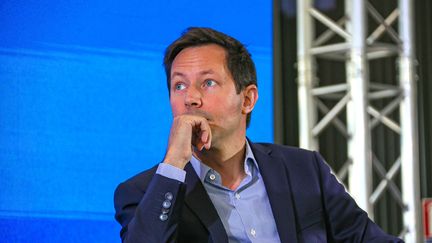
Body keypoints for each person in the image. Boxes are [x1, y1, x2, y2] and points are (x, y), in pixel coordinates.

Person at [114, 27, 403, 243]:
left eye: (208, 83)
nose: (190, 98)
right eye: (179, 86)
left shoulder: (304, 169)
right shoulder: (142, 193)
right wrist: (175, 161)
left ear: (248, 99)